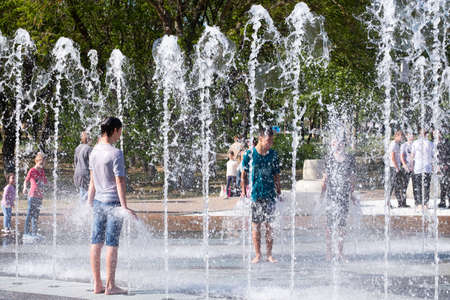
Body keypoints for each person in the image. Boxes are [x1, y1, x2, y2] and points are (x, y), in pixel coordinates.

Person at [88, 117, 136, 295]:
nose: (120, 134)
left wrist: (89, 203)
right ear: (115, 130)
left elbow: (92, 181)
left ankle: (97, 285)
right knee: (111, 244)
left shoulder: (93, 152)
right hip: (114, 203)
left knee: (95, 243)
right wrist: (124, 206)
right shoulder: (116, 153)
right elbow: (120, 181)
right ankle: (110, 286)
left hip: (98, 203)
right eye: (120, 131)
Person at [241, 127, 281, 264]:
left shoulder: (273, 154)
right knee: (256, 225)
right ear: (260, 139)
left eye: (271, 141)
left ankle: (269, 254)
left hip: (270, 194)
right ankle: (258, 255)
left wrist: (279, 190)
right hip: (255, 194)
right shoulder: (250, 154)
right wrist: (242, 191)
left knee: (270, 226)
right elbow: (243, 173)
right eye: (268, 141)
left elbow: (276, 174)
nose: (270, 144)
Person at [321, 137, 356, 262]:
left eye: (340, 142)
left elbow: (351, 178)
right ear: (332, 144)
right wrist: (321, 195)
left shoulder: (349, 159)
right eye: (335, 142)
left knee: (341, 226)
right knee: (329, 226)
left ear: (344, 144)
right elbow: (325, 179)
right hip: (331, 196)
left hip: (343, 196)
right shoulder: (328, 159)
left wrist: (352, 195)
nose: (338, 145)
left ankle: (340, 252)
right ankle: (329, 252)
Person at [23, 153, 48, 240]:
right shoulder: (32, 170)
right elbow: (26, 181)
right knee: (29, 214)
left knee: (36, 215)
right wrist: (25, 188)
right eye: (42, 163)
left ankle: (34, 233)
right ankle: (26, 232)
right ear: (38, 161)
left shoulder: (42, 171)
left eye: (44, 163)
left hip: (40, 196)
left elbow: (45, 182)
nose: (43, 165)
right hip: (32, 195)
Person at [411, 129, 434, 210]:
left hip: (417, 167)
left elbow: (412, 156)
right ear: (426, 134)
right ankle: (425, 203)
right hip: (427, 167)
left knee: (418, 186)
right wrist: (433, 167)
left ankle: (419, 204)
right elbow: (433, 156)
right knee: (426, 186)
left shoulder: (415, 143)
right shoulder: (430, 143)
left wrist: (411, 167)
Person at [74, 131, 92, 204]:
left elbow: (75, 161)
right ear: (89, 139)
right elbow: (92, 163)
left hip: (77, 173)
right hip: (85, 173)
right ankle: (82, 208)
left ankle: (82, 206)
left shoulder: (77, 148)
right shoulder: (89, 149)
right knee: (87, 192)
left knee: (82, 190)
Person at [389, 131, 406, 208]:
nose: (402, 138)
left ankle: (400, 202)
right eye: (401, 136)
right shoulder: (393, 144)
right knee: (392, 185)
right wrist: (396, 168)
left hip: (397, 167)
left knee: (397, 185)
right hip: (393, 167)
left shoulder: (397, 144)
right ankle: (387, 202)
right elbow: (392, 157)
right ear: (397, 136)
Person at [400, 132, 414, 208]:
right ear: (406, 136)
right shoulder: (404, 145)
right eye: (409, 135)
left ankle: (417, 202)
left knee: (415, 185)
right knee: (404, 185)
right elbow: (401, 156)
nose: (411, 136)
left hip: (414, 168)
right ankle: (403, 202)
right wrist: (404, 165)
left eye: (412, 135)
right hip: (406, 167)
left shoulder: (414, 144)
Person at [437, 127, 449, 208]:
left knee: (448, 185)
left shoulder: (446, 143)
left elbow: (446, 155)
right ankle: (442, 201)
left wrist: (445, 164)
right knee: (442, 185)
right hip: (441, 167)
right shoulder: (437, 143)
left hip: (446, 167)